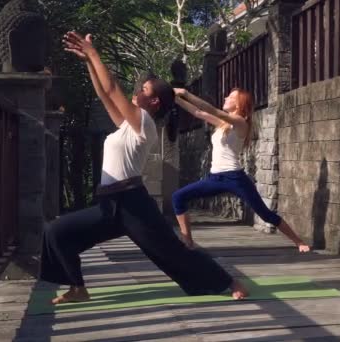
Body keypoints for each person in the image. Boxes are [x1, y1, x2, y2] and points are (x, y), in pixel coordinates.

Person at [38, 31, 248, 304]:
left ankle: (229, 281)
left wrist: (93, 53)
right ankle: (78, 287)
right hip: (109, 205)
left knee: (171, 252)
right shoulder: (128, 124)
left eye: (144, 90)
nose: (137, 92)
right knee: (56, 232)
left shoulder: (144, 123)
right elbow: (104, 94)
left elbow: (113, 88)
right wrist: (88, 61)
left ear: (154, 102)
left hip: (133, 204)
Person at [172, 88, 312, 253]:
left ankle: (299, 242)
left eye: (231, 97)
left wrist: (187, 94)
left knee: (265, 214)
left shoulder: (240, 123)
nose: (225, 97)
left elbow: (211, 110)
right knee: (178, 197)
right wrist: (174, 98)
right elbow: (198, 112)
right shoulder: (223, 124)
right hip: (214, 178)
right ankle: (187, 240)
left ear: (239, 105)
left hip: (234, 178)